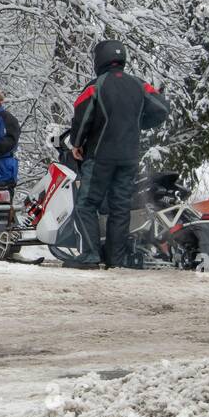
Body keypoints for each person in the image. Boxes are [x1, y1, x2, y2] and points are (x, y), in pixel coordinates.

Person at [65, 39, 170, 269]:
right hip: (129, 156)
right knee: (120, 206)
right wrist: (138, 123)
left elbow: (82, 118)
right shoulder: (140, 85)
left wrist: (77, 143)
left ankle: (91, 255)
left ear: (99, 60)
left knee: (86, 204)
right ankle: (116, 260)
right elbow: (162, 109)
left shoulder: (95, 86)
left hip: (100, 155)